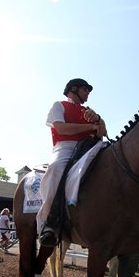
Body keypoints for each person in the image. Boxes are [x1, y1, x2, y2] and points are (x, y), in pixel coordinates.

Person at [37, 78, 106, 247]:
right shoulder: (58, 105)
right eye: (85, 90)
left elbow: (102, 133)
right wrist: (91, 127)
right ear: (73, 89)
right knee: (55, 168)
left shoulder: (89, 111)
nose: (88, 93)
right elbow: (61, 128)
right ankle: (49, 222)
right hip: (65, 148)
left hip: (90, 147)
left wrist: (99, 120)